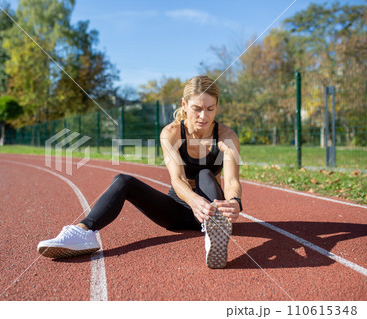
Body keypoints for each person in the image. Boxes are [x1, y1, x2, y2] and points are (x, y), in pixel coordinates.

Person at [37, 75, 243, 269]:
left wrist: (234, 202)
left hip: (212, 210)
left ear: (216, 107)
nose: (203, 116)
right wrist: (193, 200)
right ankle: (83, 232)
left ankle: (214, 233)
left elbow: (232, 181)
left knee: (204, 174)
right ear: (184, 105)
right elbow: (177, 179)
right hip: (177, 212)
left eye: (210, 109)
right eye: (197, 108)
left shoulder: (227, 137)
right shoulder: (170, 133)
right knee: (123, 180)